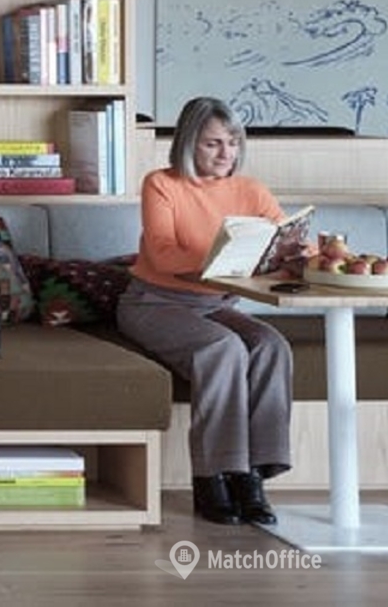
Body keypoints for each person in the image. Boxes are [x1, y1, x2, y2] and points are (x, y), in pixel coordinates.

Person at [116, 95, 292, 526]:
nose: (226, 153)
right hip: (154, 303)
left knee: (271, 345)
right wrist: (224, 261)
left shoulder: (251, 191)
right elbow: (163, 255)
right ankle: (212, 476)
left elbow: (284, 241)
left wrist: (296, 252)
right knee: (222, 348)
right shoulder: (161, 184)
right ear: (188, 142)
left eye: (233, 142)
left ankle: (252, 476)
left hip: (216, 304)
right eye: (213, 143)